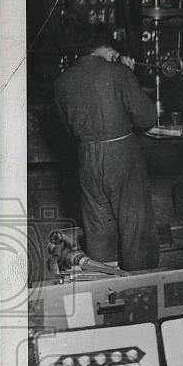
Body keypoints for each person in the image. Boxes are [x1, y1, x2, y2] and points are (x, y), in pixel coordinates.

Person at [53, 28, 160, 271]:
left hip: (86, 156)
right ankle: (141, 286)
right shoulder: (119, 72)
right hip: (121, 154)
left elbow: (67, 129)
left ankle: (104, 285)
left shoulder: (61, 82)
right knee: (136, 227)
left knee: (97, 228)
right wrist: (130, 76)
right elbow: (146, 117)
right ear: (107, 49)